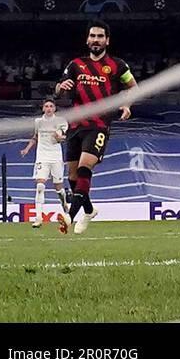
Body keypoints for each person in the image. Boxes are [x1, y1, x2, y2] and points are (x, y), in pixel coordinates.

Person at [53, 21, 135, 235]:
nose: (96, 40)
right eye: (92, 36)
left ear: (107, 40)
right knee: (72, 177)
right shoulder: (75, 64)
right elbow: (59, 89)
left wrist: (126, 104)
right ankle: (89, 211)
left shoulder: (118, 66)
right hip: (75, 124)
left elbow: (132, 87)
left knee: (83, 168)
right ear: (87, 39)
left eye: (100, 36)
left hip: (99, 124)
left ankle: (69, 216)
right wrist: (61, 88)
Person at [19, 98, 69, 228]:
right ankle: (38, 218)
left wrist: (60, 138)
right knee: (40, 186)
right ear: (43, 108)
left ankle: (64, 204)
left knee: (59, 188)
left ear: (54, 108)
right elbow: (35, 137)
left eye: (51, 106)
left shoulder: (61, 121)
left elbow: (65, 137)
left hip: (56, 157)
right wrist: (27, 149)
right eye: (46, 106)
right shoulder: (38, 122)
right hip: (42, 157)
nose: (48, 108)